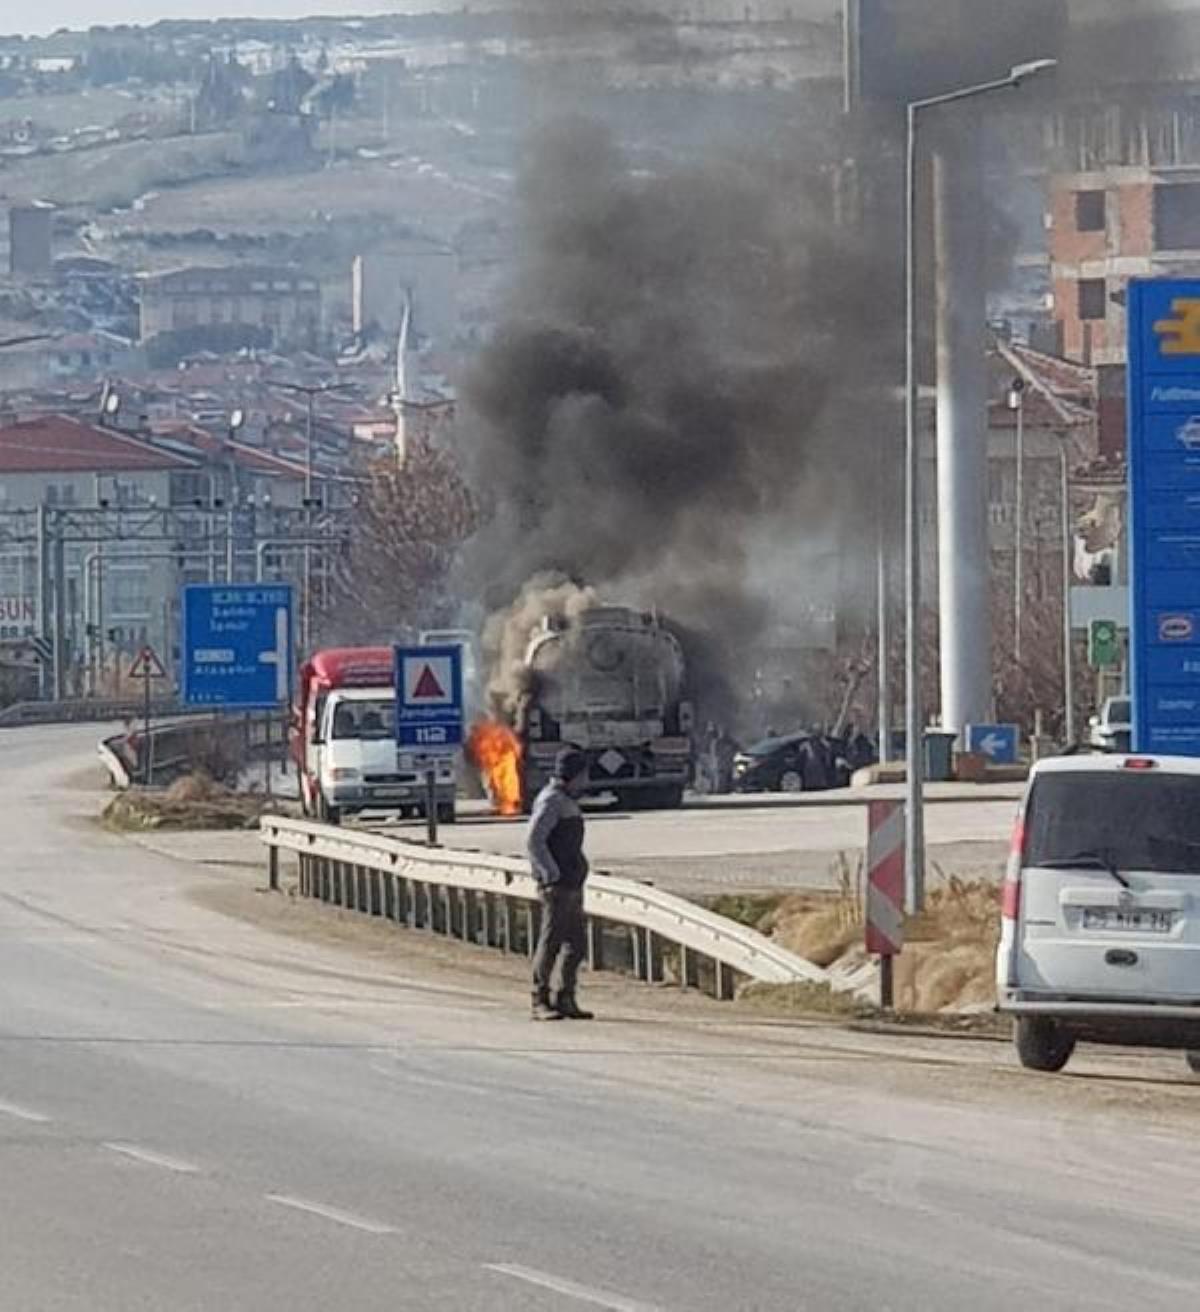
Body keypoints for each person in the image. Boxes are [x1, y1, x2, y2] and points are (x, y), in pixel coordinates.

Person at [526, 746, 593, 1021]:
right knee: (551, 942)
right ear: (572, 776)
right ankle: (539, 999)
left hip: (572, 884)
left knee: (576, 944)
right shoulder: (551, 801)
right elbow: (534, 840)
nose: (587, 781)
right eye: (583, 775)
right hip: (557, 886)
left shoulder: (567, 799)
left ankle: (565, 997)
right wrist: (550, 873)